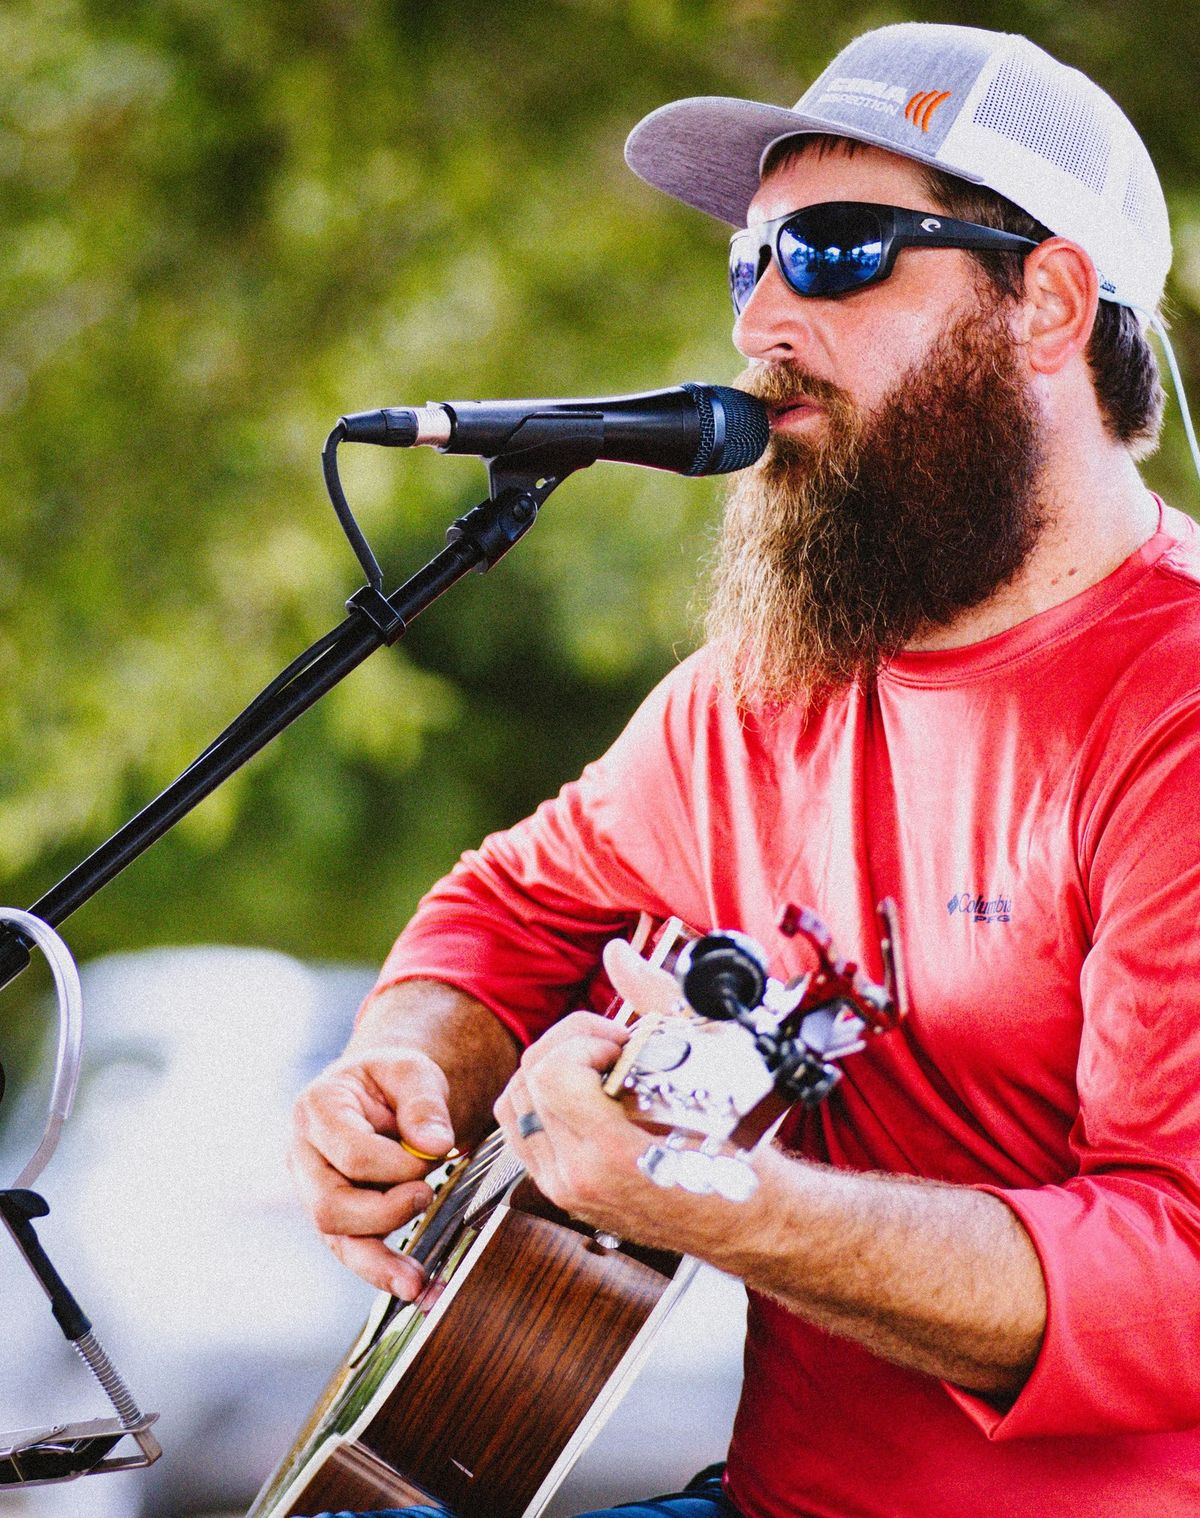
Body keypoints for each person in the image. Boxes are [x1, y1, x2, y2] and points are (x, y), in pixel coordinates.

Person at [289, 22, 1200, 1518]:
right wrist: (406, 1070)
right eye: (747, 263)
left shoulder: (1174, 705)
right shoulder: (769, 690)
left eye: (836, 251)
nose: (760, 317)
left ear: (1045, 300)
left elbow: (1181, 1274)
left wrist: (708, 1192)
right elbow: (514, 905)